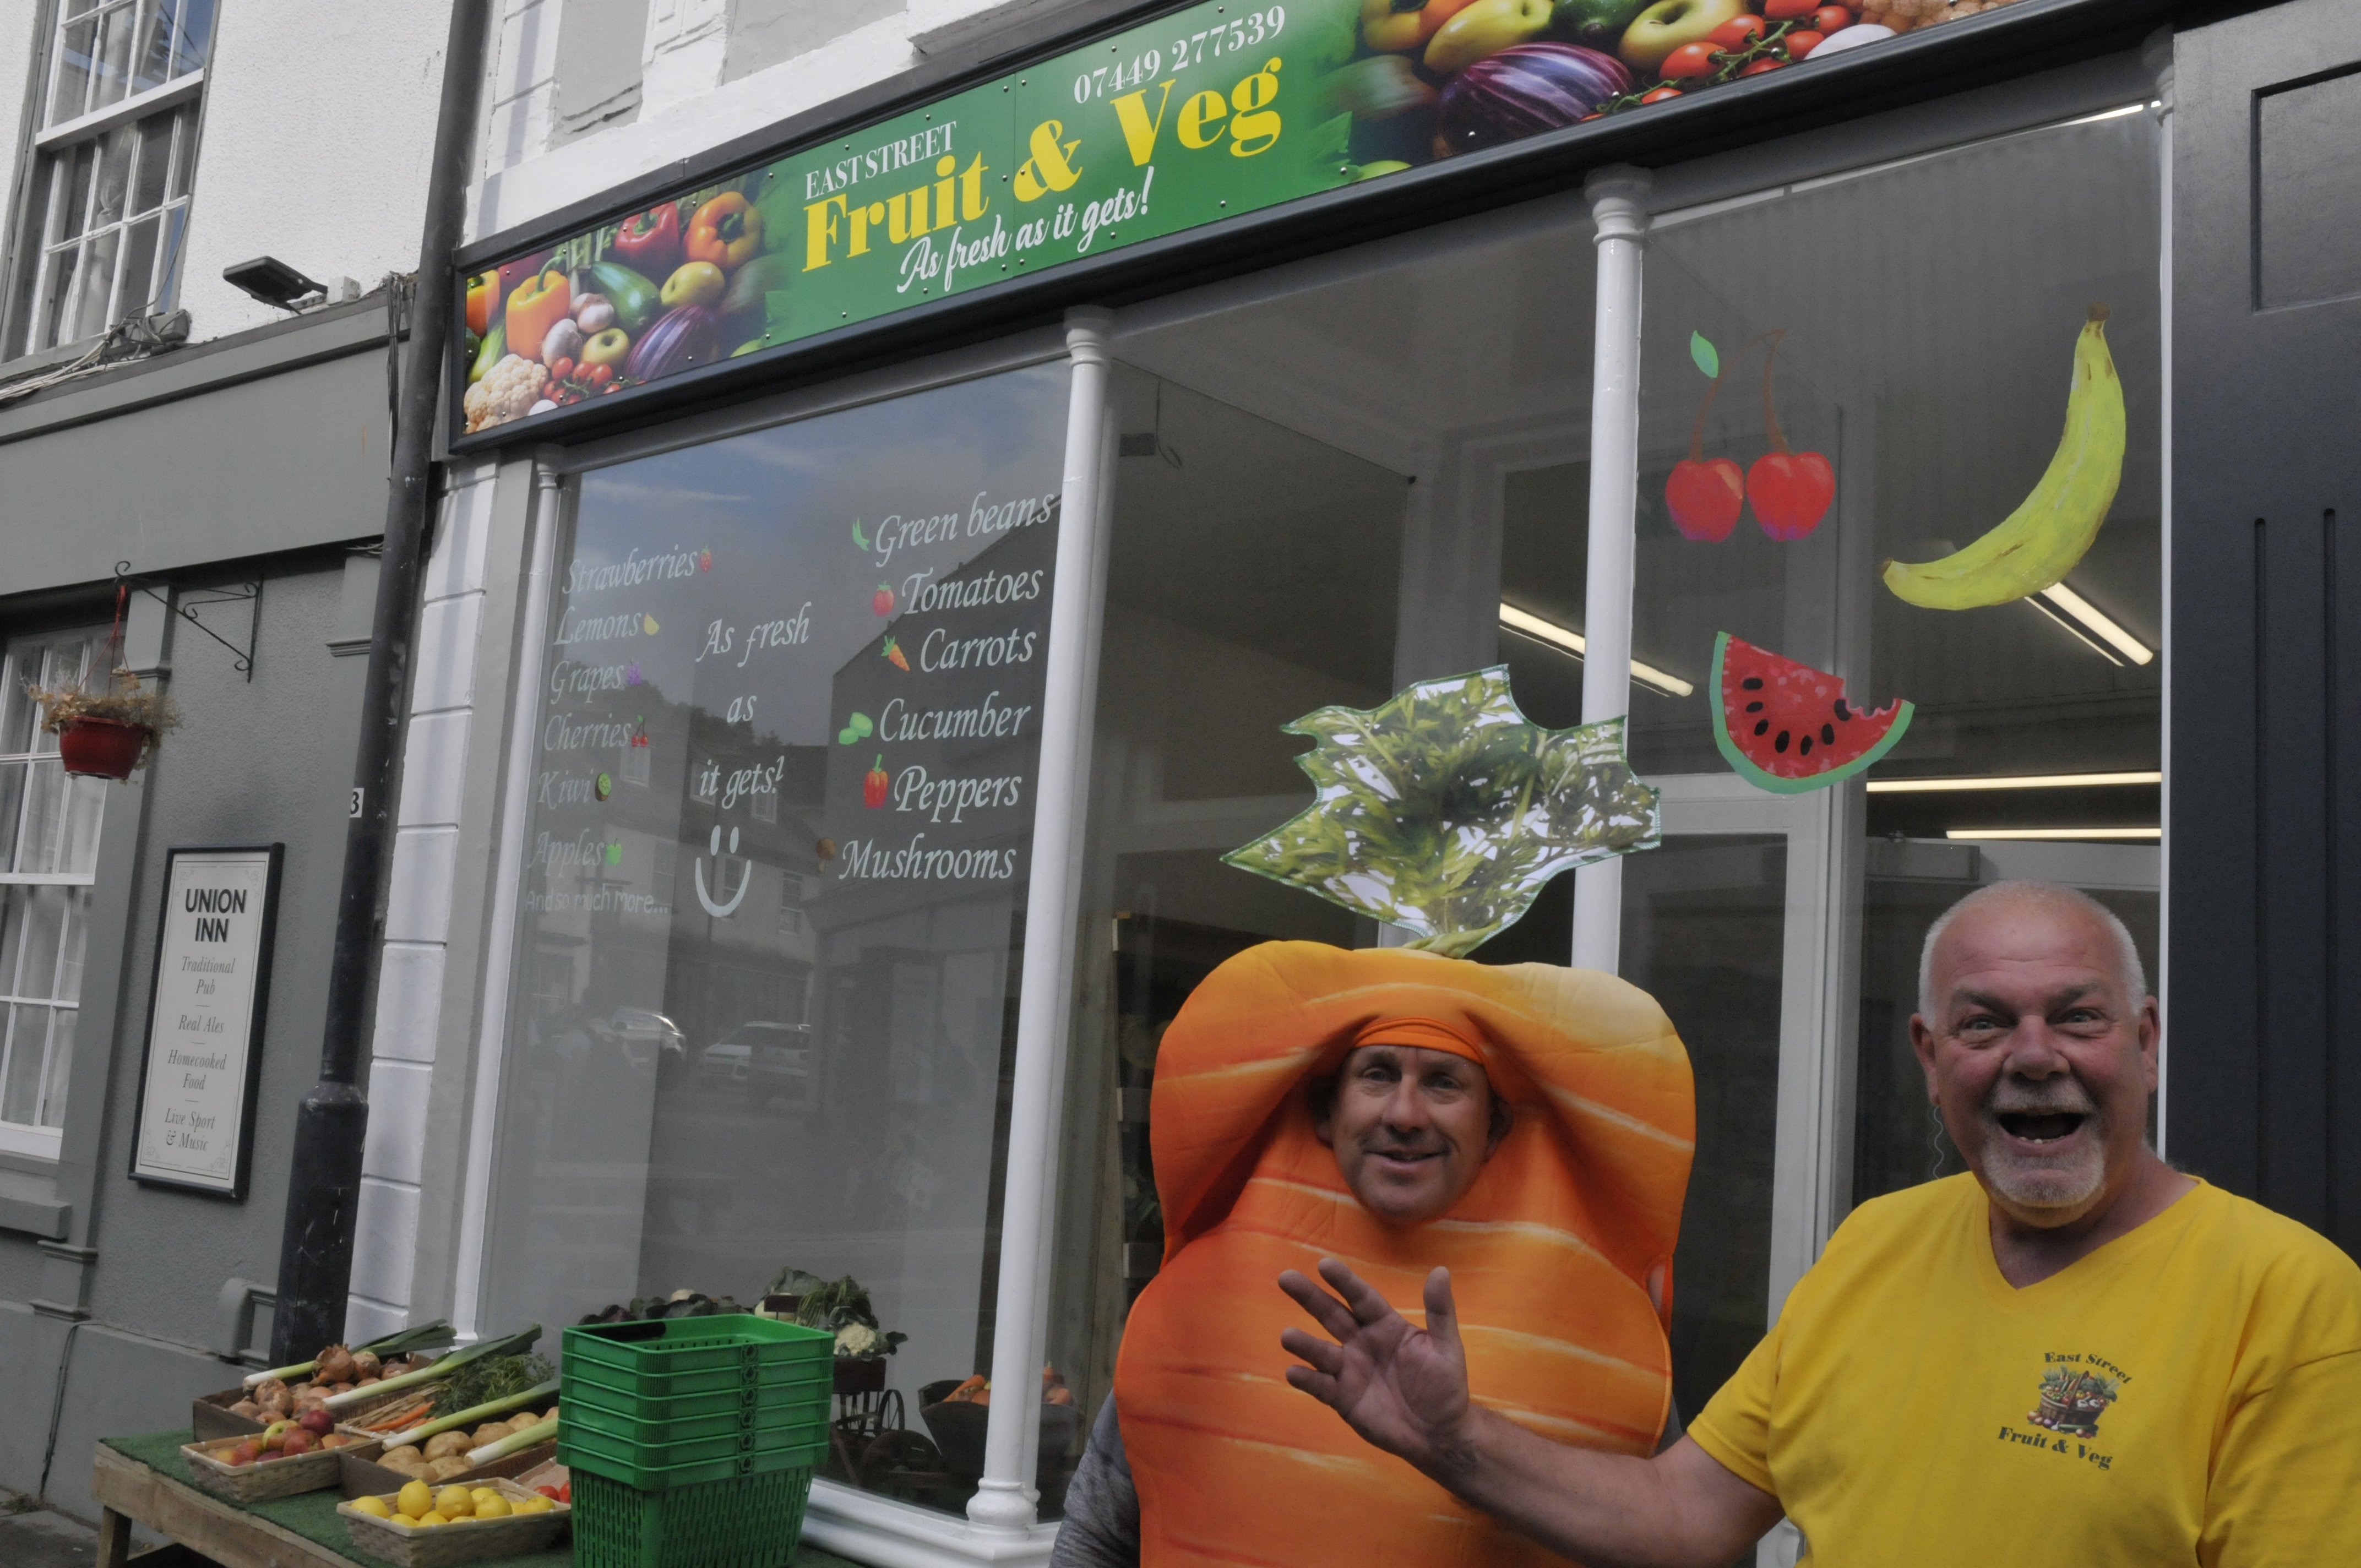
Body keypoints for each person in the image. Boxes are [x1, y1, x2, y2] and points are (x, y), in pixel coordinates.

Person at [1279, 880, 2361, 1565]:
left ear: (2145, 1042)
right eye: (1983, 1021)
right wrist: (1452, 1439)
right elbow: (1680, 1514)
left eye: (2074, 1014)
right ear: (1930, 1059)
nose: (2033, 1053)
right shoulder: (1873, 1244)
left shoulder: (2286, 1298)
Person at [1054, 942, 1693, 1567]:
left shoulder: (1598, 1327)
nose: (1405, 1113)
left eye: (1443, 1082)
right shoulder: (1203, 1305)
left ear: (1494, 1128)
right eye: (1378, 1074)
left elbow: (1685, 1538)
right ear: (1327, 1112)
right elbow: (1099, 1535)